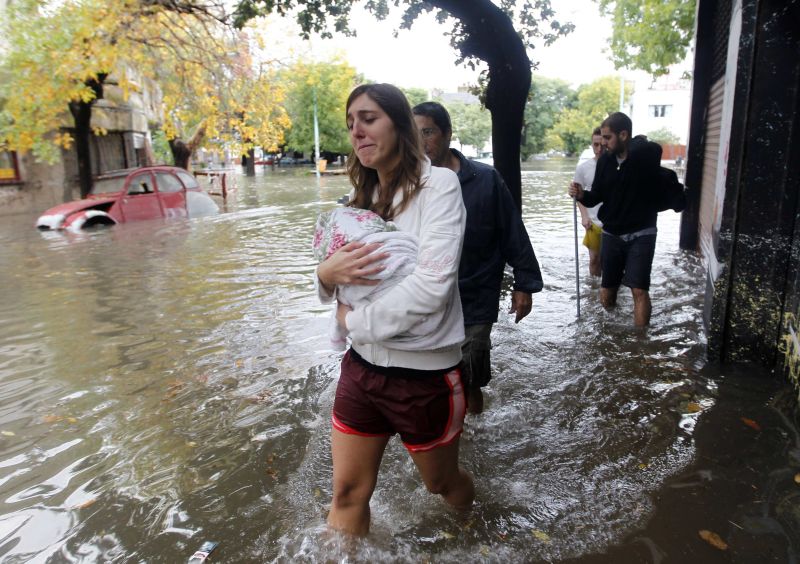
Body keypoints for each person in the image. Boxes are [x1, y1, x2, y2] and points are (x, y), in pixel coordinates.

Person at [315, 84, 474, 536]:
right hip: (361, 369)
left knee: (441, 484)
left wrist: (354, 324)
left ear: (399, 124)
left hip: (422, 375)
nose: (356, 132)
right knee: (346, 493)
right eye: (350, 124)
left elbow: (433, 286)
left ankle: (473, 526)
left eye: (367, 119)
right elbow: (339, 279)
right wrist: (326, 276)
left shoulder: (439, 185)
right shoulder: (357, 203)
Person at [412, 101, 543, 414]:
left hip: (476, 295)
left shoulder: (485, 180)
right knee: (427, 378)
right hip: (426, 296)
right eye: (414, 135)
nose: (421, 143)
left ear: (447, 134)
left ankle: (476, 437)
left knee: (469, 377)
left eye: (427, 132)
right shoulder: (410, 183)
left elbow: (513, 231)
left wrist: (524, 284)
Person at [568, 112, 663, 326]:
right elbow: (597, 196)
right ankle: (611, 333)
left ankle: (640, 342)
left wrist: (634, 145)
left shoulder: (644, 156)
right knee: (607, 293)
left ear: (623, 135)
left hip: (642, 232)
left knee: (639, 289)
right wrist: (582, 194)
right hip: (612, 233)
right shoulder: (605, 162)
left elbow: (655, 149)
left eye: (608, 138)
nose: (603, 144)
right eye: (600, 139)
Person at [573, 127, 604, 277]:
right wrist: (584, 216)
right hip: (592, 221)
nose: (598, 149)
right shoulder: (583, 168)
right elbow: (578, 195)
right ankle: (593, 292)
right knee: (594, 260)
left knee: (612, 261)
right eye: (595, 145)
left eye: (601, 145)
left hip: (613, 222)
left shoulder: (616, 166)